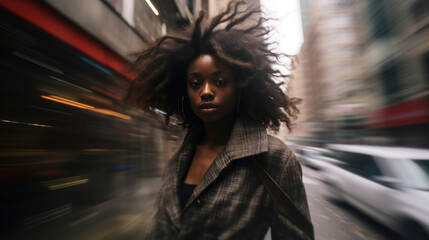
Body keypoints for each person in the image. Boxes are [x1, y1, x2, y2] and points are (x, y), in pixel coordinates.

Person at [128, 1, 312, 239]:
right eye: (195, 83)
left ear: (240, 88)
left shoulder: (274, 159)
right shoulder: (180, 157)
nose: (205, 91)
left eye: (220, 81)